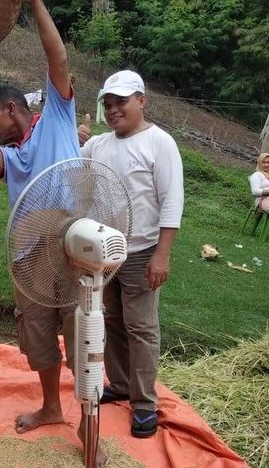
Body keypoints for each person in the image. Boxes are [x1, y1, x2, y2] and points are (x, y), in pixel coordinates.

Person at [0, 0, 107, 464]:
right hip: (29, 253)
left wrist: (36, 1)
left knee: (83, 329)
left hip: (74, 241)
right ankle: (52, 408)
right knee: (36, 331)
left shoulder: (58, 115)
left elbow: (57, 59)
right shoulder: (12, 159)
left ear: (13, 110)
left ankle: (87, 424)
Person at [79, 70, 184, 438]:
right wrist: (74, 141)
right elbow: (73, 174)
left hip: (141, 252)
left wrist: (162, 255)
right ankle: (120, 384)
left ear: (142, 100)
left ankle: (144, 403)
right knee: (111, 322)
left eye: (120, 101)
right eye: (107, 104)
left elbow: (172, 201)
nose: (113, 110)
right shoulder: (98, 145)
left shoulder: (160, 143)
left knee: (141, 328)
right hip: (104, 251)